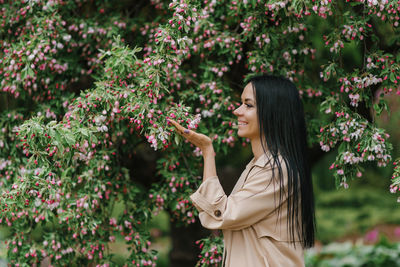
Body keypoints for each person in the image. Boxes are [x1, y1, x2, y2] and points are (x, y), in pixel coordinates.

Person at [169, 75, 316, 267]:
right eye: (241, 104)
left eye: (248, 105)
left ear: (272, 112)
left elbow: (223, 213)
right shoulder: (258, 166)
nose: (237, 111)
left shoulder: (276, 171)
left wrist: (207, 152)